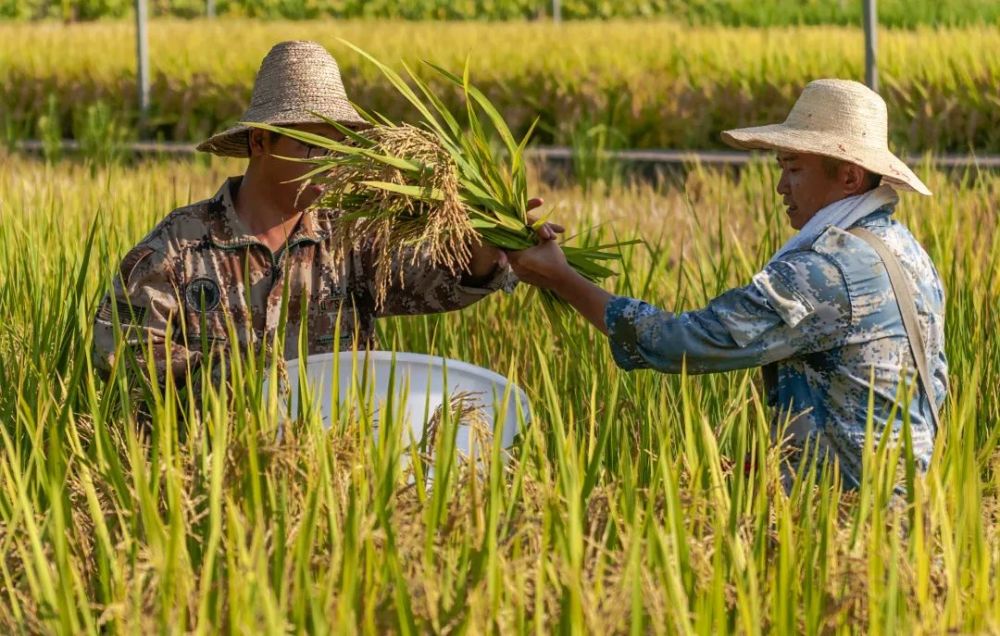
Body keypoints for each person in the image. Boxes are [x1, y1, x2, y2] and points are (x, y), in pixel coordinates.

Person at [506, 79, 947, 488]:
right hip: (902, 501)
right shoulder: (906, 252)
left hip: (847, 519)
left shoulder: (827, 271)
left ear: (849, 176)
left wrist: (563, 279)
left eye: (793, 168)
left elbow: (686, 342)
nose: (780, 186)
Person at [93, 40, 538, 394]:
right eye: (315, 148)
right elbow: (121, 353)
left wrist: (490, 242)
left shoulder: (349, 237)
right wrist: (241, 385)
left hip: (338, 465)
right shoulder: (180, 246)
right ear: (262, 143)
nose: (333, 165)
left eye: (340, 149)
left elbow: (440, 278)